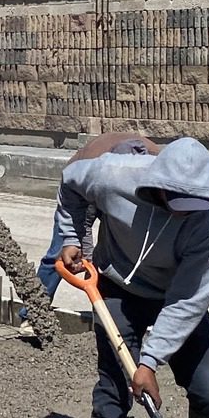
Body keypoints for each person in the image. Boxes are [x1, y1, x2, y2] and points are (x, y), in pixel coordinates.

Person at [54, 137, 209, 418]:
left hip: (175, 295)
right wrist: (72, 235)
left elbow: (187, 300)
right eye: (176, 201)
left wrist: (149, 362)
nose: (184, 212)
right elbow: (70, 180)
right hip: (118, 288)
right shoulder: (113, 175)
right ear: (156, 185)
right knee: (113, 387)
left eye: (193, 204)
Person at [20, 131, 157, 337]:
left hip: (112, 187)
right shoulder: (92, 171)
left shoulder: (157, 163)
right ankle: (33, 315)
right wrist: (79, 246)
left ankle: (134, 318)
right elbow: (79, 221)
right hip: (79, 193)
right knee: (61, 252)